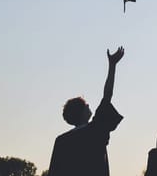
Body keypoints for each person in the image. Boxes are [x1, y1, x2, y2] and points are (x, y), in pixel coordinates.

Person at [48, 46, 125, 176]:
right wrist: (112, 66)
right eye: (85, 104)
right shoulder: (95, 131)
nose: (88, 104)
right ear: (81, 112)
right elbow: (107, 96)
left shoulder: (61, 141)